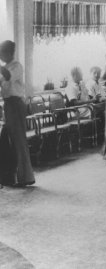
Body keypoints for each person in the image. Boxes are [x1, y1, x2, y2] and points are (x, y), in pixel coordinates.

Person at [0, 40, 35, 187]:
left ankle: (26, 177)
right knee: (8, 141)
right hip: (8, 105)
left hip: (16, 105)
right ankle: (10, 176)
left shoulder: (16, 66)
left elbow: (7, 76)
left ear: (9, 52)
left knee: (19, 141)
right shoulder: (6, 67)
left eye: (1, 52)